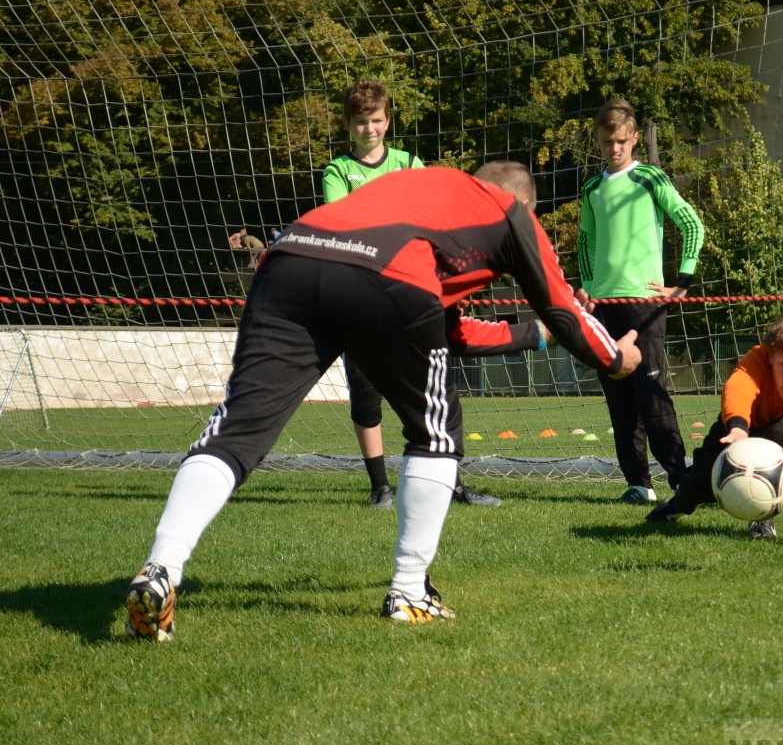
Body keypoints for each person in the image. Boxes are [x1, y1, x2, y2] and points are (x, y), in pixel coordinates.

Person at [123, 162, 641, 640]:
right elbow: (564, 308)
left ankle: (161, 568)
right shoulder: (511, 213)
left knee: (236, 430)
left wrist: (535, 337)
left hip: (290, 258)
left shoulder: (424, 191)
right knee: (435, 432)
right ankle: (410, 592)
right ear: (524, 206)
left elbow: (449, 329)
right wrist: (615, 359)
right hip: (385, 274)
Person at [322, 79, 501, 509]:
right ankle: (379, 487)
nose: (370, 129)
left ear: (388, 121)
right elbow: (343, 225)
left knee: (433, 390)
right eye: (361, 121)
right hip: (360, 298)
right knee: (366, 396)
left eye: (377, 120)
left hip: (411, 293)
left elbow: (429, 215)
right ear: (348, 124)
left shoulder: (408, 162)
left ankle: (451, 483)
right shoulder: (337, 172)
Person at [575, 98, 704, 504]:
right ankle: (637, 483)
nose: (614, 148)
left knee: (650, 391)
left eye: (622, 141)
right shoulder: (592, 188)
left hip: (645, 304)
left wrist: (682, 281)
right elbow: (586, 241)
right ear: (598, 142)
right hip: (604, 307)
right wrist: (588, 286)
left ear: (633, 140)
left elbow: (691, 223)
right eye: (607, 142)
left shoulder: (650, 178)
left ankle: (680, 476)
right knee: (618, 395)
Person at [646, 310, 783, 539]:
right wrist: (738, 427)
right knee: (701, 482)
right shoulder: (758, 357)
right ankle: (676, 505)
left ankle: (761, 518)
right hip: (739, 427)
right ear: (771, 355)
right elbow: (739, 387)